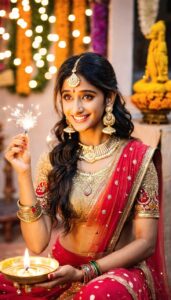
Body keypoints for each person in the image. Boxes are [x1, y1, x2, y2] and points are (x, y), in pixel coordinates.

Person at [0, 52, 170, 300]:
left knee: (98, 295)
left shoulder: (138, 159)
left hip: (116, 274)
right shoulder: (54, 160)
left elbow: (146, 243)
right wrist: (23, 174)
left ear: (108, 98)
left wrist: (85, 273)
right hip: (62, 269)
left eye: (87, 97)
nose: (76, 108)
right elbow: (37, 244)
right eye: (68, 97)